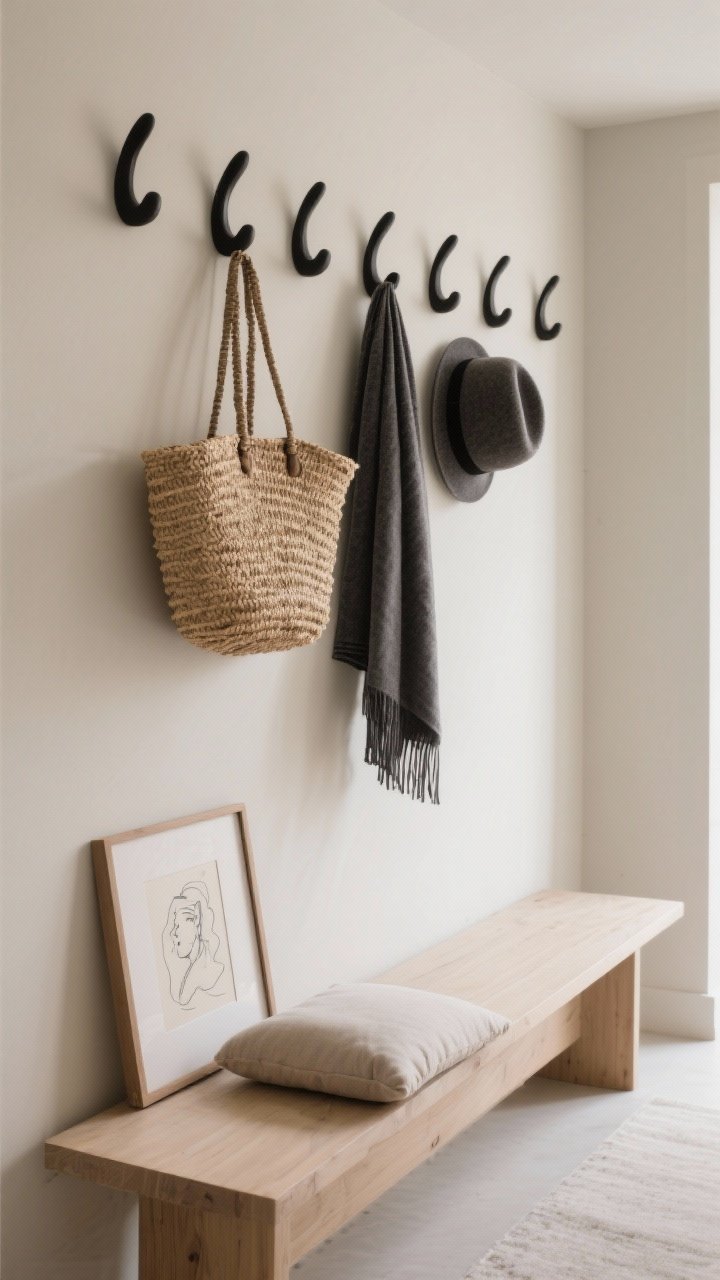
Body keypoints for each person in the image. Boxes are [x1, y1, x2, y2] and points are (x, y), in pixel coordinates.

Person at [161, 881, 225, 1008]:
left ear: (196, 918)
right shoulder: (186, 977)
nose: (173, 933)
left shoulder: (212, 976)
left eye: (177, 924)